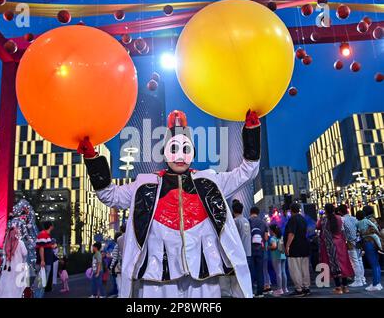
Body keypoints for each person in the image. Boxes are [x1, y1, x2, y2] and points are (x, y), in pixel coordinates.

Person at [78, 110, 261, 298]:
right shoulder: (145, 184)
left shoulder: (210, 180)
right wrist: (92, 159)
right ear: (164, 152)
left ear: (193, 152)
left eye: (186, 149)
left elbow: (247, 171)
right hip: (156, 272)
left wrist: (252, 132)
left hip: (204, 269)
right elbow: (109, 195)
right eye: (173, 149)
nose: (180, 156)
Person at [317, 204, 354, 294]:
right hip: (340, 244)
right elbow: (343, 230)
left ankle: (338, 287)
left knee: (333, 265)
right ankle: (345, 287)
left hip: (329, 245)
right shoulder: (340, 218)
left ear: (325, 210)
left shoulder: (323, 220)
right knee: (343, 265)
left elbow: (317, 227)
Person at [221, 199, 252, 297]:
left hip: (238, 254)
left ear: (233, 211)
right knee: (245, 275)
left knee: (236, 277)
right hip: (248, 252)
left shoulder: (234, 221)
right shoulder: (246, 220)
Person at [284, 203, 311, 297]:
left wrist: (287, 246)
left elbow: (291, 233)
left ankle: (299, 289)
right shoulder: (303, 219)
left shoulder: (292, 219)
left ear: (291, 210)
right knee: (305, 269)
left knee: (295, 269)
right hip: (304, 246)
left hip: (295, 247)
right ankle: (306, 287)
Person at [339, 204, 366, 287]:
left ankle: (358, 280)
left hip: (350, 242)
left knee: (354, 261)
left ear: (340, 212)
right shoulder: (354, 218)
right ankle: (362, 279)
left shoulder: (342, 219)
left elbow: (342, 231)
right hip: (358, 241)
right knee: (359, 260)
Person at [358, 206, 383, 291]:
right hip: (374, 243)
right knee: (376, 263)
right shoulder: (374, 219)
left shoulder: (366, 221)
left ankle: (375, 284)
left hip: (369, 242)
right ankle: (377, 283)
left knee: (374, 264)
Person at [248, 206, 269, 297]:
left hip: (250, 249)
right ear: (258, 213)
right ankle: (260, 292)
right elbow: (266, 237)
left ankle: (251, 291)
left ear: (250, 212)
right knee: (260, 270)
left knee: (251, 271)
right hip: (260, 249)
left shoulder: (248, 221)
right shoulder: (263, 223)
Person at [33, 221, 54, 298]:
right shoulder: (43, 234)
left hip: (46, 262)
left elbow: (43, 247)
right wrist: (42, 260)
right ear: (51, 226)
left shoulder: (46, 235)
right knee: (40, 283)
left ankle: (38, 296)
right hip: (44, 263)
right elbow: (41, 248)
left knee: (41, 283)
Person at [269, 224, 288, 296]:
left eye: (269, 230)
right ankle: (285, 288)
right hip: (283, 255)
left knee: (278, 273)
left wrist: (268, 247)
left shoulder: (272, 238)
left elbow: (274, 246)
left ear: (272, 231)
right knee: (283, 272)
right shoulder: (281, 237)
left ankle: (279, 289)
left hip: (276, 256)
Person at [110, 224, 126, 296]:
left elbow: (115, 257)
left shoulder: (119, 240)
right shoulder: (132, 239)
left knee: (120, 284)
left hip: (120, 265)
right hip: (130, 266)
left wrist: (111, 267)